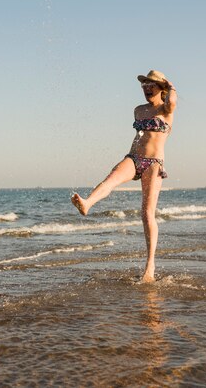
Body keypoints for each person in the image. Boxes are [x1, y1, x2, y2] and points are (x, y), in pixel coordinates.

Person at [71, 70, 177, 283]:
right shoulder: (138, 110)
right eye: (144, 84)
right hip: (134, 157)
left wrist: (170, 84)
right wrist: (130, 158)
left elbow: (172, 101)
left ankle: (150, 267)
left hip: (153, 163)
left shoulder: (166, 109)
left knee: (147, 213)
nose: (147, 88)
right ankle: (87, 203)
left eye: (152, 85)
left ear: (162, 88)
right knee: (110, 179)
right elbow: (140, 137)